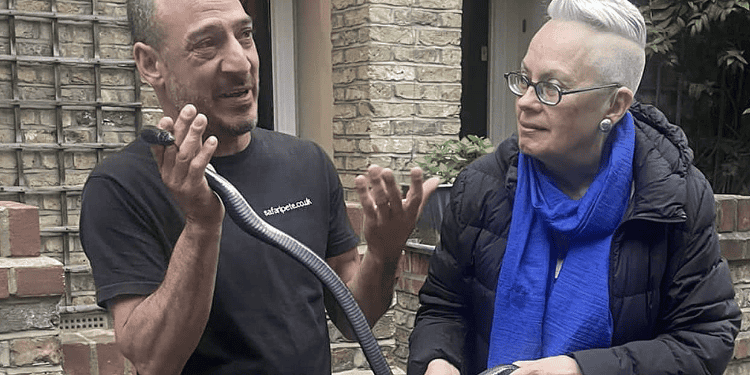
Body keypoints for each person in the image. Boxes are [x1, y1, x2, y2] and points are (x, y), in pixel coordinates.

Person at [79, 0, 439, 373]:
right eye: (206, 43)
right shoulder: (119, 188)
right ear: (152, 64)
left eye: (245, 35)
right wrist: (202, 225)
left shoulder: (307, 162)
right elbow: (153, 360)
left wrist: (383, 254)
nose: (240, 63)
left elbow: (353, 318)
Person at [407, 0, 741, 374]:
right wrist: (439, 361)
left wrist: (579, 369)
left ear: (614, 105)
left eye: (552, 87)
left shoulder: (673, 199)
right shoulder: (481, 187)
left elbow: (704, 339)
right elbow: (443, 308)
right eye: (524, 79)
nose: (526, 103)